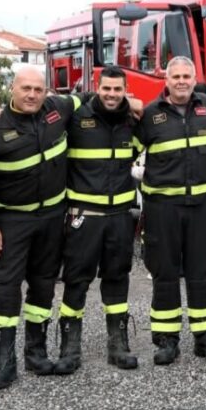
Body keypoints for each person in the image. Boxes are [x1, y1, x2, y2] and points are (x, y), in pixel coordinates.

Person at [0, 67, 83, 390]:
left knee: (44, 285)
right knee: (6, 289)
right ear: (11, 91)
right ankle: (3, 361)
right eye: (26, 88)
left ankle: (36, 351)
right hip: (11, 223)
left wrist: (131, 102)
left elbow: (88, 99)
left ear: (46, 91)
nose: (32, 95)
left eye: (38, 89)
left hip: (51, 220)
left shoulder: (57, 110)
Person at [135, 56, 206, 365]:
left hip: (200, 207)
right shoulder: (150, 115)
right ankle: (166, 339)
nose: (181, 81)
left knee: (201, 272)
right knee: (165, 273)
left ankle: (205, 336)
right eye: (175, 76)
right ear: (166, 79)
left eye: (186, 76)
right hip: (162, 209)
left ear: (194, 78)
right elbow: (124, 149)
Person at [54, 66, 141, 374]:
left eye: (118, 90)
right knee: (77, 280)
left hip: (119, 217)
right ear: (97, 87)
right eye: (107, 89)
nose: (112, 95)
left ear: (125, 91)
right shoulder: (77, 116)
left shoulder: (132, 121)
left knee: (118, 279)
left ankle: (117, 346)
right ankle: (69, 347)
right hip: (84, 217)